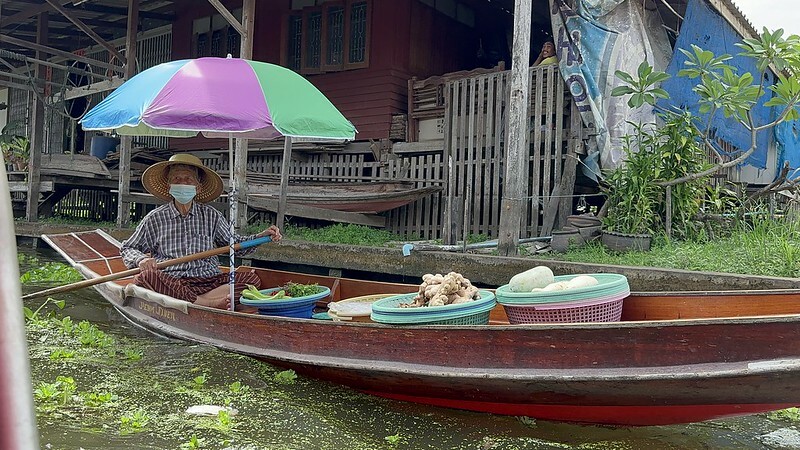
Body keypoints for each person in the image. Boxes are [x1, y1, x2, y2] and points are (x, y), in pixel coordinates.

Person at [120, 153, 282, 309]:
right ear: (169, 187)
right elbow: (128, 248)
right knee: (146, 277)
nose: (182, 183)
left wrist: (260, 237)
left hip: (209, 280)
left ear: (197, 188)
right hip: (174, 280)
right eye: (177, 179)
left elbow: (235, 246)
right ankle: (208, 304)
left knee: (251, 280)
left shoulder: (211, 216)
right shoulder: (154, 218)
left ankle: (193, 301)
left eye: (188, 179)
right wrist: (141, 259)